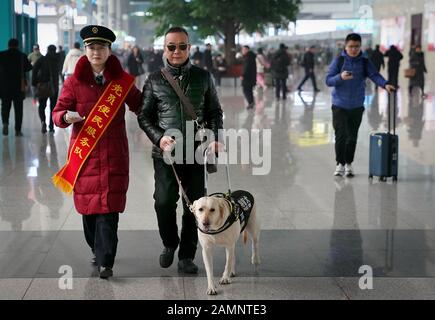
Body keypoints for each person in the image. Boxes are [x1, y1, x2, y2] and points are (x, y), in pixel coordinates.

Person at [52, 25, 142, 279]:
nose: (96, 52)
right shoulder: (73, 82)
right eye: (91, 47)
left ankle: (106, 261)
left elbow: (140, 104)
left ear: (109, 50)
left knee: (108, 211)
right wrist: (64, 118)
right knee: (89, 212)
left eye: (101, 47)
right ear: (85, 50)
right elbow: (57, 112)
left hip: (114, 154)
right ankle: (96, 248)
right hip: (85, 157)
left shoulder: (121, 81)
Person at [138, 26, 224, 274]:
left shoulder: (204, 77)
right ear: (164, 49)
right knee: (163, 202)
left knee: (195, 207)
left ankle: (187, 255)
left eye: (182, 46)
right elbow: (144, 116)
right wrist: (159, 137)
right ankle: (169, 243)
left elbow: (214, 112)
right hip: (166, 155)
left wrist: (216, 137)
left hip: (196, 153)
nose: (176, 51)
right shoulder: (154, 80)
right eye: (171, 46)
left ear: (190, 48)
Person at [326, 33, 395, 177]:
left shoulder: (364, 61)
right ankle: (340, 164)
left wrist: (385, 84)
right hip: (339, 105)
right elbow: (328, 80)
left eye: (356, 46)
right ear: (345, 46)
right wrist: (340, 77)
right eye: (351, 46)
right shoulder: (339, 61)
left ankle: (349, 164)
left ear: (360, 46)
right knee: (341, 135)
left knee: (352, 136)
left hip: (357, 105)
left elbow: (374, 75)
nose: (354, 49)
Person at [0, 38, 32, 136]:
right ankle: (18, 130)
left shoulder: (1, 55)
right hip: (19, 87)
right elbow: (29, 67)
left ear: (8, 45)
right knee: (18, 109)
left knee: (5, 106)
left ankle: (5, 123)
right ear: (18, 45)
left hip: (4, 86)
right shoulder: (22, 56)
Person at [32, 44, 59, 134]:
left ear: (47, 50)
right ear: (55, 50)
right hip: (54, 87)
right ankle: (51, 127)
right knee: (53, 107)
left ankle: (43, 122)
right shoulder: (57, 60)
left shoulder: (42, 59)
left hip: (43, 87)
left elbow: (34, 69)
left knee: (42, 106)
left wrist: (34, 83)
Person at [241, 45, 257, 109]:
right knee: (249, 90)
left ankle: (250, 102)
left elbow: (246, 67)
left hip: (247, 77)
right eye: (242, 49)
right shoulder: (251, 56)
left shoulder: (248, 57)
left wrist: (243, 75)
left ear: (247, 50)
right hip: (251, 76)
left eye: (244, 49)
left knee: (245, 90)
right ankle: (251, 102)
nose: (243, 51)